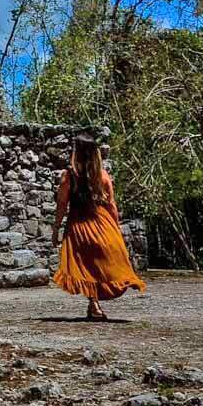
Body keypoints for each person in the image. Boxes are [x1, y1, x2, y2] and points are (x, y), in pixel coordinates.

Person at [50, 134, 146, 320]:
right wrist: (115, 228)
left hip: (79, 225)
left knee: (86, 265)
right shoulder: (101, 176)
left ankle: (93, 303)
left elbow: (62, 204)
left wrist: (56, 228)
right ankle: (94, 303)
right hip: (102, 223)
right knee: (101, 262)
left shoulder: (69, 176)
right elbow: (111, 205)